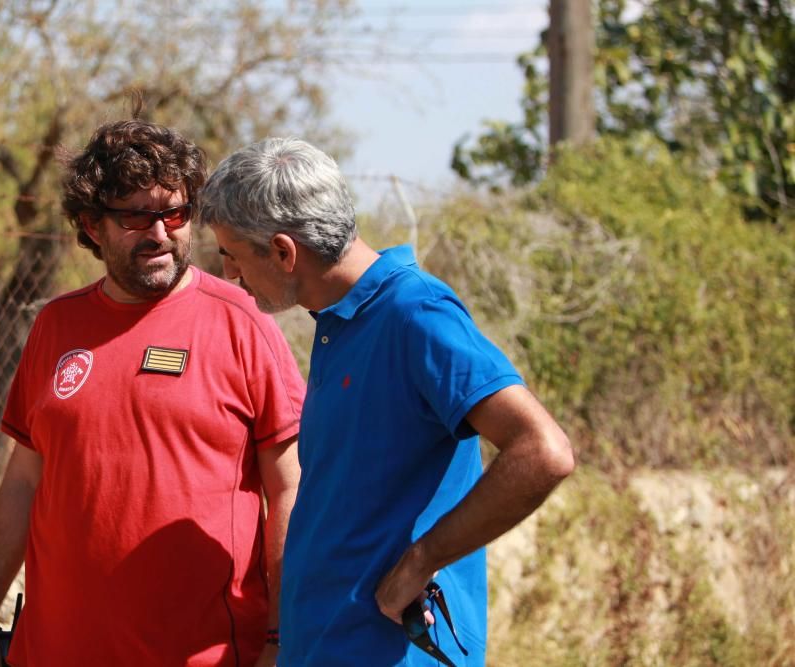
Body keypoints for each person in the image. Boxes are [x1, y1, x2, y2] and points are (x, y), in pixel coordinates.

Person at [197, 137, 575, 666]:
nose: (230, 274)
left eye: (232, 256)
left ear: (283, 252)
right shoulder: (337, 323)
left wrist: (422, 560)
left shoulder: (414, 313)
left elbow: (543, 450)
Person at [0, 121, 305, 667]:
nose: (161, 233)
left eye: (175, 213)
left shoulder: (242, 321)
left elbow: (289, 490)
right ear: (91, 225)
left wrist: (280, 639)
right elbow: (24, 480)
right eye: (136, 217)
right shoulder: (55, 325)